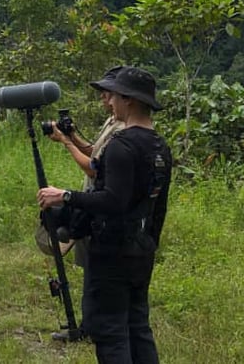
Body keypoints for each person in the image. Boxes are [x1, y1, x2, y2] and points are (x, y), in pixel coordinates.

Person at [37, 67, 172, 363]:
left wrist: (66, 196)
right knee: (137, 326)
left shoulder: (122, 145)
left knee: (110, 331)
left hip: (112, 251)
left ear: (130, 101)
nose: (110, 102)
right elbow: (158, 208)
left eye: (115, 97)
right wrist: (150, 243)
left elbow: (113, 200)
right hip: (141, 250)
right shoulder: (160, 146)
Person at [47, 66, 125, 268]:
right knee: (86, 254)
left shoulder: (123, 130)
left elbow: (92, 168)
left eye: (106, 94)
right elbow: (94, 151)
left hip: (101, 202)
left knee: (96, 262)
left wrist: (67, 142)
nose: (103, 99)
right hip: (90, 199)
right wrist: (72, 135)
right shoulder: (111, 121)